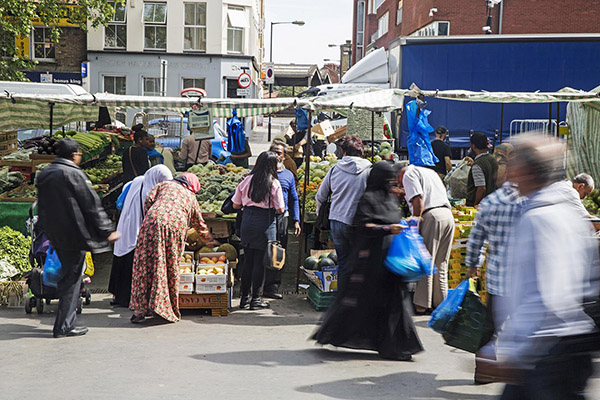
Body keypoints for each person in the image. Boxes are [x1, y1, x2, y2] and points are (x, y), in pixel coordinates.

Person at [497, 134, 598, 399]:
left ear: (529, 172)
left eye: (514, 164)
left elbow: (546, 297)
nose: (508, 172)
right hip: (552, 350)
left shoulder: (540, 217)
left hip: (548, 352)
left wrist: (514, 352)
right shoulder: (561, 209)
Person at [312, 162, 424, 360]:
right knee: (370, 304)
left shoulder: (389, 199)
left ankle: (397, 346)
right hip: (373, 263)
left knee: (396, 304)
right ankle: (387, 346)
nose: (391, 184)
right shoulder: (368, 198)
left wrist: (403, 224)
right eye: (388, 180)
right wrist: (388, 229)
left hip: (391, 262)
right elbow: (365, 226)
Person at [36, 138, 120, 338]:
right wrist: (107, 230)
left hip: (54, 234)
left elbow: (42, 206)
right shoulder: (74, 174)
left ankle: (63, 324)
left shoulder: (45, 173)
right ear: (74, 155)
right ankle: (64, 326)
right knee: (72, 280)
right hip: (74, 235)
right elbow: (92, 206)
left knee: (68, 277)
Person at [129, 173, 215, 323]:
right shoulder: (190, 196)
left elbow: (148, 200)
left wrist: (154, 215)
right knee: (167, 265)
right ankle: (162, 308)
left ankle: (140, 309)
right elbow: (199, 224)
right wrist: (210, 240)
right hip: (173, 227)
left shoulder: (163, 185)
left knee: (144, 265)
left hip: (151, 222)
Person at [465, 179, 525, 384]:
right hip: (526, 280)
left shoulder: (491, 201)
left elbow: (476, 238)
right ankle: (522, 373)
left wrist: (473, 266)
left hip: (498, 278)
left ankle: (484, 370)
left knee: (490, 327)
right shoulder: (531, 201)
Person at [109, 165, 173, 307]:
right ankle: (128, 298)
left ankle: (118, 295)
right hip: (137, 229)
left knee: (122, 259)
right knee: (132, 263)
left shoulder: (137, 180)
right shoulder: (150, 191)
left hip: (125, 225)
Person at [397, 164, 455, 313]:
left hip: (432, 216)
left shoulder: (409, 175)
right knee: (441, 264)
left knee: (425, 262)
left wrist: (415, 223)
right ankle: (441, 304)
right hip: (447, 215)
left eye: (398, 181)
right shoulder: (428, 172)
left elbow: (418, 198)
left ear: (399, 175)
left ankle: (422, 305)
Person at [316, 136, 372, 289]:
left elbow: (320, 196)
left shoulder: (335, 168)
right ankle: (356, 300)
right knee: (360, 264)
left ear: (344, 151)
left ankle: (341, 298)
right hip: (358, 223)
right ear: (361, 152)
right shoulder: (369, 169)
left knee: (344, 262)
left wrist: (318, 214)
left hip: (337, 221)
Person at [232, 152, 285, 310]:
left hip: (247, 221)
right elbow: (280, 209)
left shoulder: (247, 180)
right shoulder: (274, 183)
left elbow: (235, 205)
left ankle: (244, 298)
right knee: (260, 263)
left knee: (248, 261)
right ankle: (256, 298)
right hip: (265, 224)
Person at [263, 142, 301, 299]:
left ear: (284, 156)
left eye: (280, 153)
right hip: (264, 217)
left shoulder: (288, 176)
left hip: (282, 218)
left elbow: (294, 199)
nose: (277, 155)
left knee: (279, 252)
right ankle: (260, 285)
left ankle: (272, 287)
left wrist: (296, 220)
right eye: (274, 152)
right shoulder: (261, 174)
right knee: (264, 251)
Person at [466, 132, 498, 207]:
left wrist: (475, 205)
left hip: (481, 206)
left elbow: (481, 188)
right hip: (492, 202)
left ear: (473, 146)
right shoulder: (493, 159)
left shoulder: (477, 164)